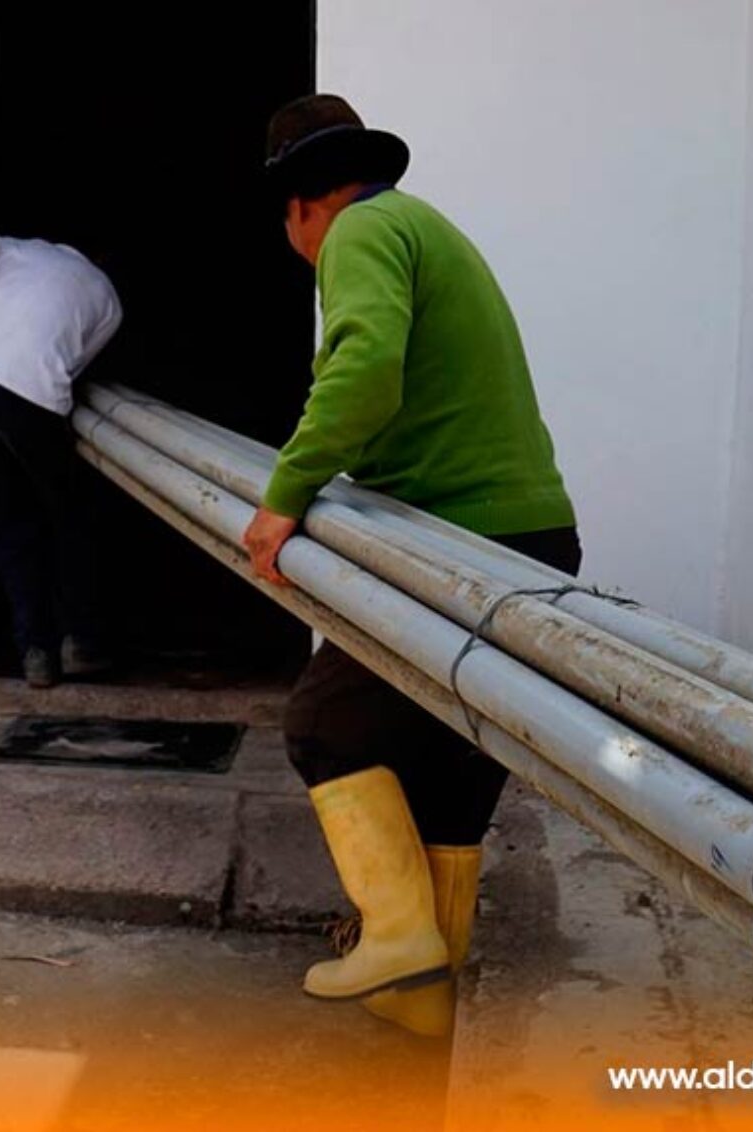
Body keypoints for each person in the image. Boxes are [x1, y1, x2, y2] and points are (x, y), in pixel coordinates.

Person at [243, 95, 582, 1035]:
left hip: (458, 548)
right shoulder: (426, 226)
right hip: (533, 538)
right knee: (451, 762)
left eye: (287, 224)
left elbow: (363, 368)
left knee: (326, 724)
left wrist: (284, 495)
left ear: (302, 203)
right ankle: (426, 1000)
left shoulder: (361, 230)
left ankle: (396, 944)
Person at [0, 235, 123, 688]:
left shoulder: (18, 251)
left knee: (11, 529)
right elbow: (74, 365)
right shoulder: (107, 298)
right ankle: (83, 643)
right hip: (34, 399)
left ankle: (36, 654)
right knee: (70, 519)